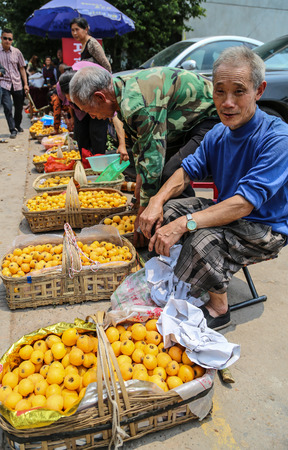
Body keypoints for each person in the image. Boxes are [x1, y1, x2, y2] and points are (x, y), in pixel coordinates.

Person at [138, 46, 288, 330]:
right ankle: (180, 274)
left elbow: (244, 204)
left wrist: (186, 224)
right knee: (169, 211)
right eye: (220, 91)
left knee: (200, 238)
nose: (227, 102)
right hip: (231, 212)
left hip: (266, 227)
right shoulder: (218, 133)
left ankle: (219, 308)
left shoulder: (277, 138)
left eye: (239, 91)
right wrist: (156, 200)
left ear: (259, 90)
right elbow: (186, 172)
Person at [69, 65, 218, 245]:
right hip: (183, 122)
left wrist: (144, 210)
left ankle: (188, 233)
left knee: (170, 173)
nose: (92, 116)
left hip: (212, 117)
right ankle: (172, 225)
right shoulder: (120, 91)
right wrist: (140, 192)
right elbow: (142, 149)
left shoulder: (136, 103)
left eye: (88, 110)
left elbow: (153, 159)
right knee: (156, 180)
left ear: (100, 97)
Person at [57, 61, 127, 159]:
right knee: (81, 136)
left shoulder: (94, 87)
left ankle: (99, 163)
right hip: (81, 111)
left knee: (97, 134)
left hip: (98, 103)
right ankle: (85, 165)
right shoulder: (61, 86)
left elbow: (115, 115)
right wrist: (72, 117)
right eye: (71, 101)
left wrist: (122, 144)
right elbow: (69, 105)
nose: (92, 116)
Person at [0, 28, 29, 138]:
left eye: (10, 39)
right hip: (3, 84)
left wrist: (25, 84)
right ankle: (12, 129)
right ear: (1, 38)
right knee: (7, 107)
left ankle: (17, 125)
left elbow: (22, 69)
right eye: (5, 38)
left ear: (12, 40)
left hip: (17, 83)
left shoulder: (17, 52)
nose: (7, 41)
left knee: (19, 107)